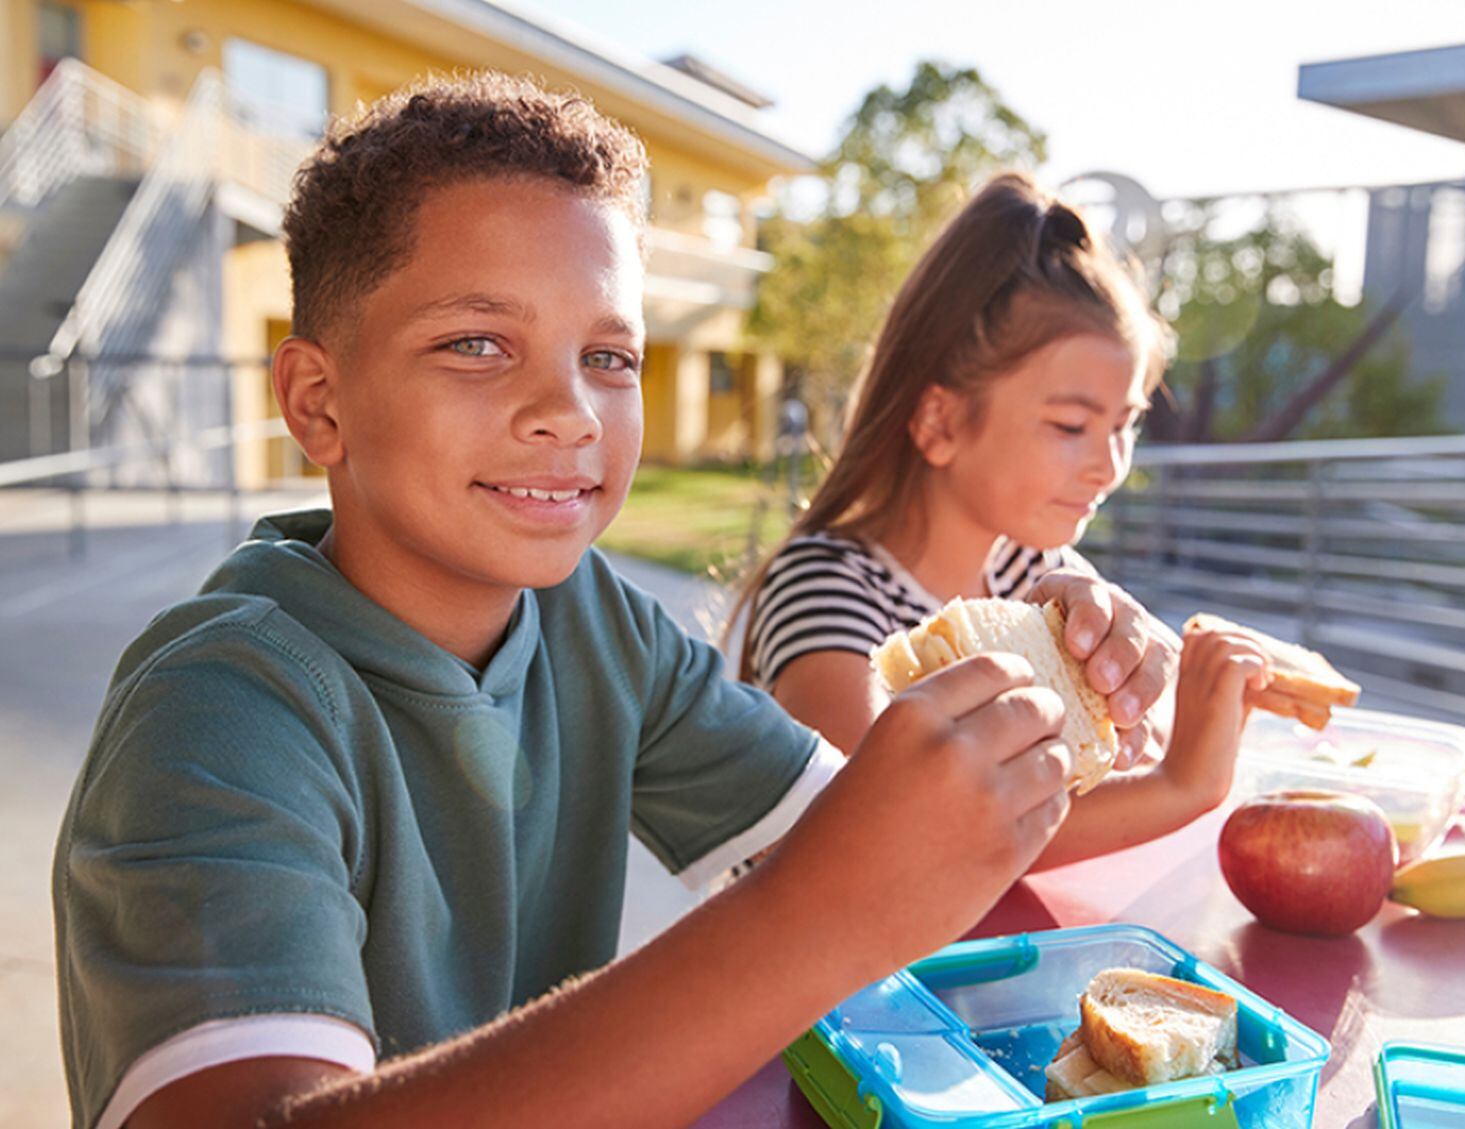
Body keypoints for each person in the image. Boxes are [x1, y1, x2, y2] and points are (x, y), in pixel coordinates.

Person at [52, 77, 1195, 1129]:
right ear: (316, 401)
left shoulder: (592, 621)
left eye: (609, 356)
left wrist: (1053, 688)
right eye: (476, 343)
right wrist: (814, 913)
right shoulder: (216, 714)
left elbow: (878, 843)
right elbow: (833, 893)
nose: (568, 410)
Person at [737, 172, 1271, 868]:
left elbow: (1119, 753)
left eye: (1126, 424)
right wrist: (1179, 786)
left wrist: (1156, 708)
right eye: (1072, 425)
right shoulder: (823, 590)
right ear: (941, 420)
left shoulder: (1031, 571)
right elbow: (892, 841)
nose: (1110, 466)